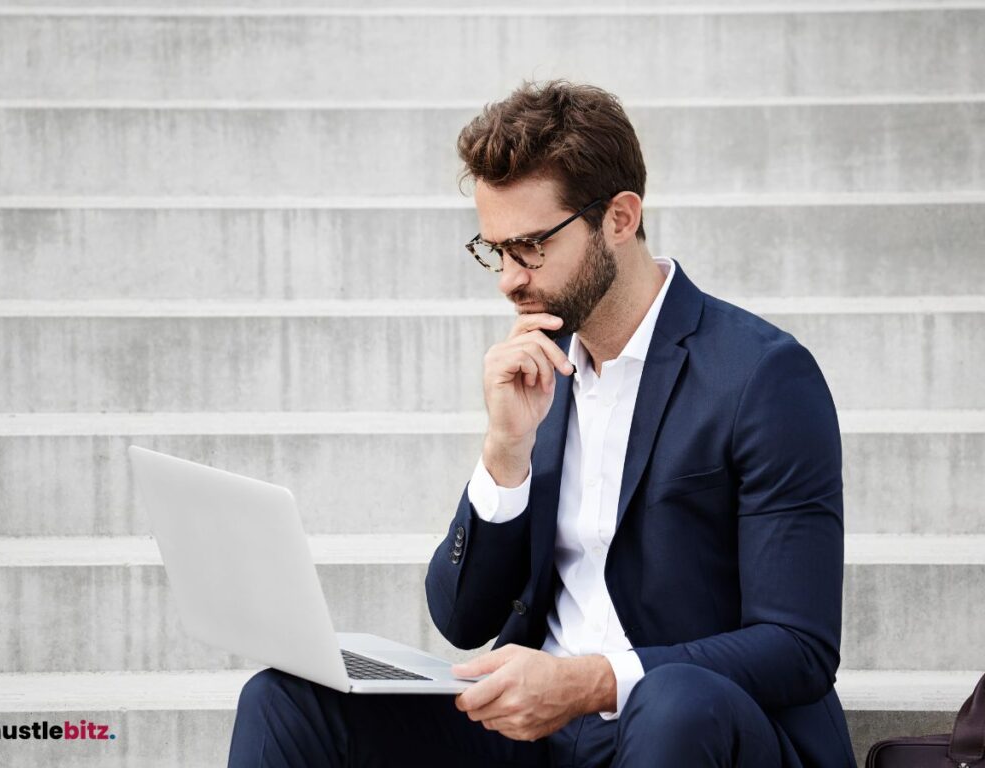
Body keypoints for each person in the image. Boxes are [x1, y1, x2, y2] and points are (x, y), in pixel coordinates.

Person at [227, 79, 858, 768]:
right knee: (284, 698)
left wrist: (588, 682)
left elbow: (797, 646)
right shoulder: (539, 368)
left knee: (673, 704)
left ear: (619, 218)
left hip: (690, 727)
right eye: (494, 249)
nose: (507, 278)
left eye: (530, 246)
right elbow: (462, 619)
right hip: (540, 738)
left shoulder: (761, 376)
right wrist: (505, 451)